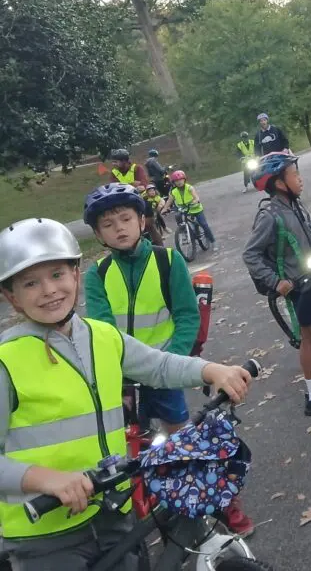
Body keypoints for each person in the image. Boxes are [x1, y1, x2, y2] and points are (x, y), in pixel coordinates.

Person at [0, 217, 254, 569]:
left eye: (57, 274)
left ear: (76, 275)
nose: (49, 290)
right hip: (46, 535)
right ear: (11, 297)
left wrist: (211, 370)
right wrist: (48, 480)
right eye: (31, 282)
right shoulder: (6, 359)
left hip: (113, 512)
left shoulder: (101, 336)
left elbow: (158, 365)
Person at [82, 184, 253, 536]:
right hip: (122, 380)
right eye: (109, 224)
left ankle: (222, 505)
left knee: (187, 447)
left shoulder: (167, 260)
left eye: (126, 218)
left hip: (164, 374)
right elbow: (100, 331)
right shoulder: (96, 274)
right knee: (123, 452)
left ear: (142, 221)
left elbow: (188, 316)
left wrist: (171, 365)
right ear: (98, 234)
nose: (119, 228)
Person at [242, 151, 311, 418]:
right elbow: (250, 254)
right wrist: (277, 283)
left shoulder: (293, 206)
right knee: (308, 337)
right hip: (298, 283)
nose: (300, 179)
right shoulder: (270, 215)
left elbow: (301, 237)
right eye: (294, 174)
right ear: (279, 182)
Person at [163, 170, 219, 254]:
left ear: (184, 179)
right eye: (176, 181)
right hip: (186, 210)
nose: (178, 182)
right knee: (178, 217)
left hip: (196, 209)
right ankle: (185, 233)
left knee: (204, 224)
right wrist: (165, 208)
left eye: (180, 180)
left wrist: (195, 201)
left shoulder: (189, 188)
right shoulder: (174, 192)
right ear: (174, 182)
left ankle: (213, 241)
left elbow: (196, 197)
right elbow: (169, 201)